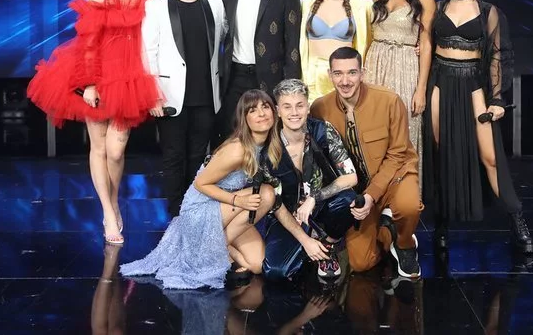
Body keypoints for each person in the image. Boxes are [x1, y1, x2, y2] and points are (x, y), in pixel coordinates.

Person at [27, 0, 160, 245]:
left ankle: (113, 202)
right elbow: (88, 41)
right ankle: (109, 214)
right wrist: (88, 84)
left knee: (116, 150)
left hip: (129, 79)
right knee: (99, 148)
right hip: (97, 76)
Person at [423, 0, 533, 254]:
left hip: (473, 84)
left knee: (490, 157)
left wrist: (497, 99)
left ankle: (517, 221)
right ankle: (441, 223)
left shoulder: (488, 12)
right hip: (440, 82)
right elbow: (427, 47)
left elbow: (498, 57)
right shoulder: (438, 8)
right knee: (440, 155)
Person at [119, 89, 280, 289]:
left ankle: (216, 246)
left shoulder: (267, 145)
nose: (262, 114)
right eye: (253, 110)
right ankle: (212, 248)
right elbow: (200, 184)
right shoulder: (237, 149)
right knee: (266, 193)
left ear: (274, 111)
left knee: (256, 265)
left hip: (224, 211)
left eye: (265, 107)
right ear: (244, 119)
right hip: (199, 210)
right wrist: (238, 201)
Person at [311, 47, 423, 278]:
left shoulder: (389, 100)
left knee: (408, 206)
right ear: (329, 75)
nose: (345, 81)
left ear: (362, 72)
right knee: (361, 263)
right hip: (358, 190)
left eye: (352, 73)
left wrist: (372, 195)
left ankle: (405, 244)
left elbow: (398, 154)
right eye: (338, 73)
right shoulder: (320, 108)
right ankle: (387, 231)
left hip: (395, 176)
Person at [142, 0, 227, 217]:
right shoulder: (156, 6)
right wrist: (153, 95)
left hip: (206, 95)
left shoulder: (215, 4)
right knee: (173, 157)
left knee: (198, 158)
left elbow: (223, 39)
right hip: (169, 97)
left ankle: (193, 212)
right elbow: (148, 52)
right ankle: (176, 216)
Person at [261, 79, 358, 281]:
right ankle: (311, 245)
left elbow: (351, 177)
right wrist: (305, 240)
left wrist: (315, 197)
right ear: (278, 111)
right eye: (287, 107)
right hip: (288, 215)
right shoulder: (268, 147)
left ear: (307, 107)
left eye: (299, 105)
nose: (294, 113)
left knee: (349, 200)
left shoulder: (323, 130)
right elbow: (276, 205)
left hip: (321, 208)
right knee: (275, 272)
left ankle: (327, 245)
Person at [216, 0, 302, 145]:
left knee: (270, 137)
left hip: (270, 76)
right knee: (233, 135)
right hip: (234, 75)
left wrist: (291, 87)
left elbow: (292, 43)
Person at [363, 0, 436, 186]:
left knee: (405, 131)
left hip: (406, 67)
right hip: (376, 66)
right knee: (375, 130)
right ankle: (375, 195)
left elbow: (426, 44)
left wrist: (421, 89)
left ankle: (405, 196)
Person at [299, 0, 372, 103]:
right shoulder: (306, 4)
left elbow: (380, 36)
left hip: (346, 80)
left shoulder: (362, 6)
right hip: (312, 80)